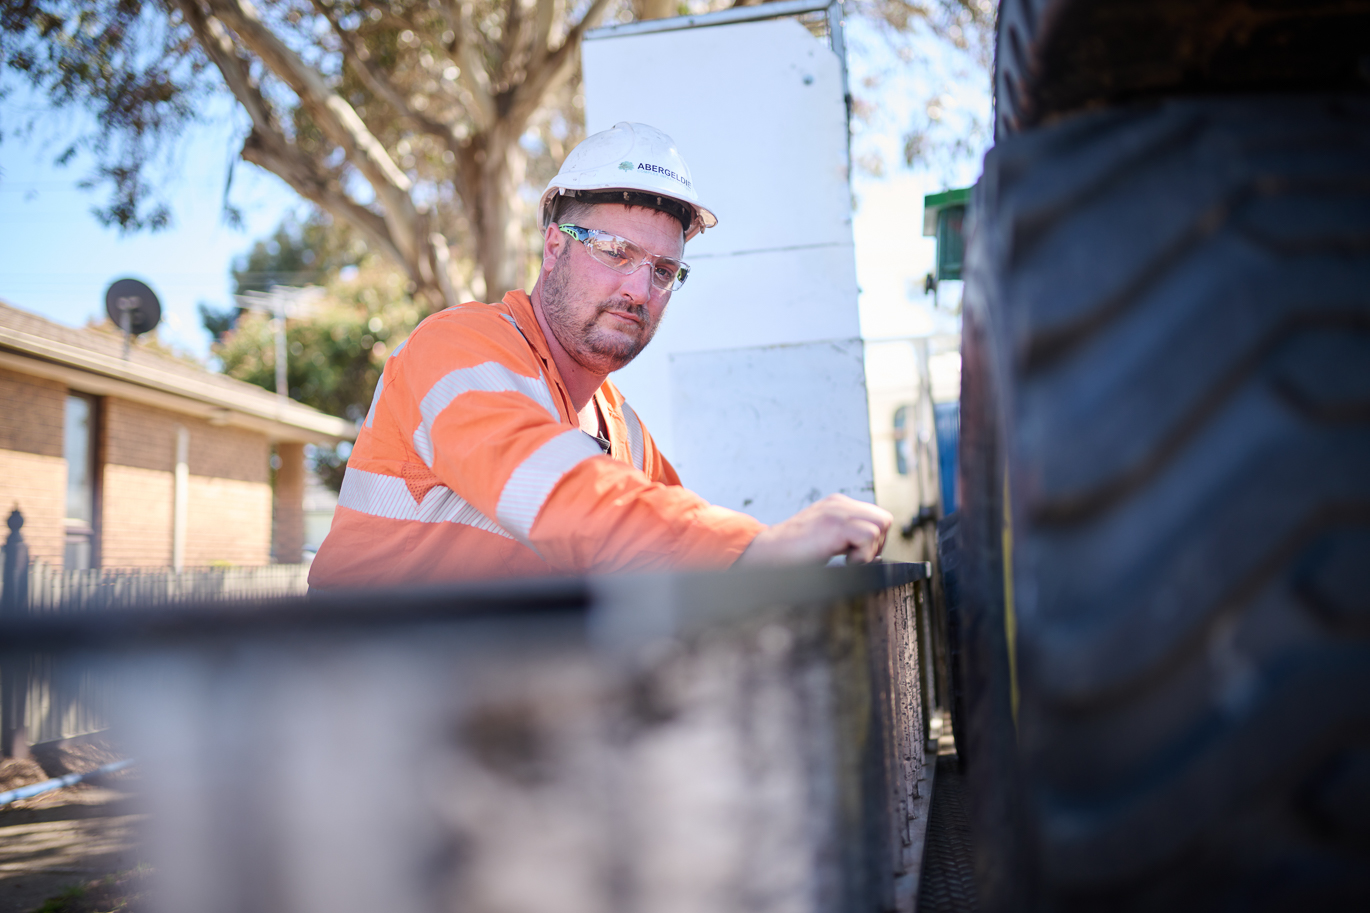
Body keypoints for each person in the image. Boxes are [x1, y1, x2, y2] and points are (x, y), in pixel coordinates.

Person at [308, 122, 891, 588]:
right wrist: (753, 548)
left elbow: (667, 543)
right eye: (615, 252)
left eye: (664, 270)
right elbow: (560, 488)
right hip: (353, 706)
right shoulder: (457, 350)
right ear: (555, 246)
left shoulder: (621, 429)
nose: (640, 290)